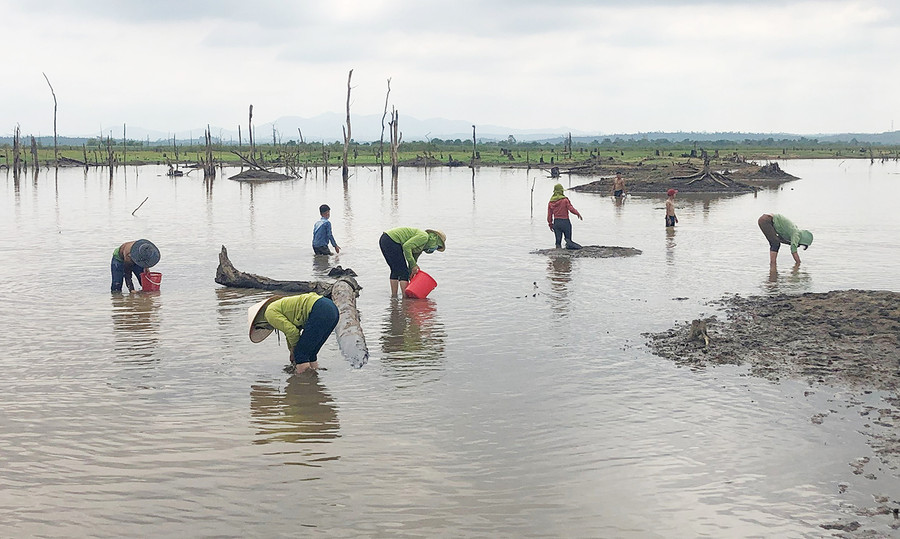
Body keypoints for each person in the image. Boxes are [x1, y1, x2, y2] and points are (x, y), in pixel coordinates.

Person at [248, 293, 340, 374]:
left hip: (319, 310)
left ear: (259, 321)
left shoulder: (269, 313)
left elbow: (292, 332)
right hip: (332, 309)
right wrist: (291, 350)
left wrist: (295, 352)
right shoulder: (277, 307)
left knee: (301, 355)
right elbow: (290, 332)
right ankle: (315, 383)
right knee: (310, 354)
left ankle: (303, 385)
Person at [379, 227, 446, 296]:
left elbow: (413, 259)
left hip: (385, 239)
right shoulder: (424, 237)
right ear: (435, 240)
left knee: (395, 270)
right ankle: (405, 298)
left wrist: (411, 271)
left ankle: (394, 297)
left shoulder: (421, 247)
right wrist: (413, 266)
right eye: (437, 247)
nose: (435, 249)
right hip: (392, 240)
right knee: (403, 272)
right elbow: (406, 247)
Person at [547, 183, 583, 249]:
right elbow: (571, 209)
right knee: (568, 240)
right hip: (565, 222)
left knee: (558, 242)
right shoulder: (565, 200)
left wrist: (550, 224)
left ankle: (557, 256)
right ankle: (568, 256)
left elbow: (549, 215)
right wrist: (577, 213)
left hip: (556, 223)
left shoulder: (551, 202)